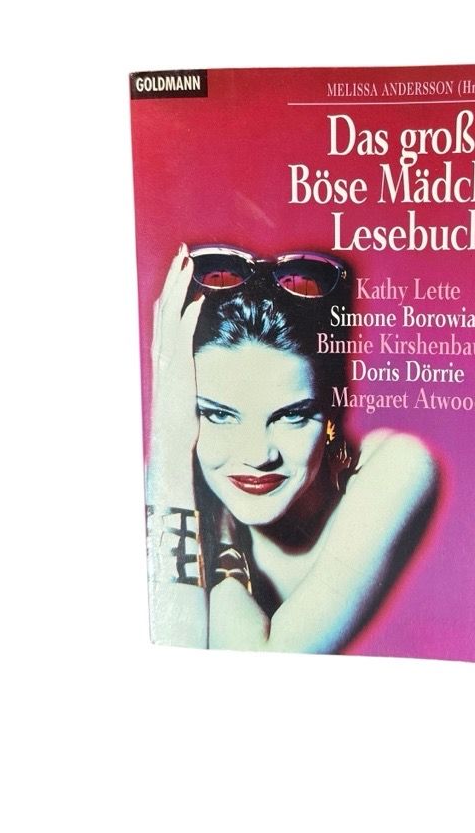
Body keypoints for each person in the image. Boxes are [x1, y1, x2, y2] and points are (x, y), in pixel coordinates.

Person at [146, 243, 437, 652]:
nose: (258, 455)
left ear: (331, 406)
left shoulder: (399, 465)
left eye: (292, 416)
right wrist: (168, 439)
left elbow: (257, 665)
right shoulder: (168, 476)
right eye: (218, 415)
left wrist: (225, 544)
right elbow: (169, 651)